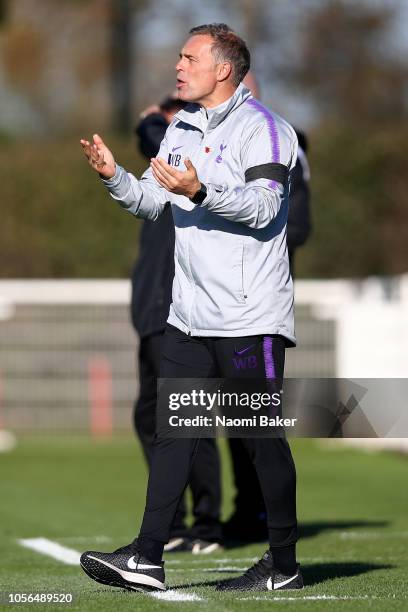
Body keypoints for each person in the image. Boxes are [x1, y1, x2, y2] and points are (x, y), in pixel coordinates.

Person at [80, 23, 303, 593]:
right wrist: (115, 179)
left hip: (250, 320)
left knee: (260, 441)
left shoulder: (268, 130)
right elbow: (152, 203)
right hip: (188, 319)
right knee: (174, 434)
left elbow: (264, 208)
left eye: (189, 57)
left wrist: (201, 191)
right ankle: (148, 557)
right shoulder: (181, 127)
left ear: (223, 68)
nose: (178, 66)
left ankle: (282, 564)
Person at [131, 95, 223, 553]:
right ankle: (183, 521)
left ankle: (204, 524)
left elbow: (156, 141)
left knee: (189, 416)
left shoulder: (192, 163)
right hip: (153, 315)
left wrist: (149, 121)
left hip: (181, 313)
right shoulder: (161, 177)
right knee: (155, 415)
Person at [223, 75, 312, 544]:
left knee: (258, 425)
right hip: (215, 310)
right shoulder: (205, 137)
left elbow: (293, 222)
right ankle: (241, 513)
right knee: (212, 418)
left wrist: (245, 246)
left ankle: (278, 546)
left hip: (256, 306)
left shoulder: (278, 139)